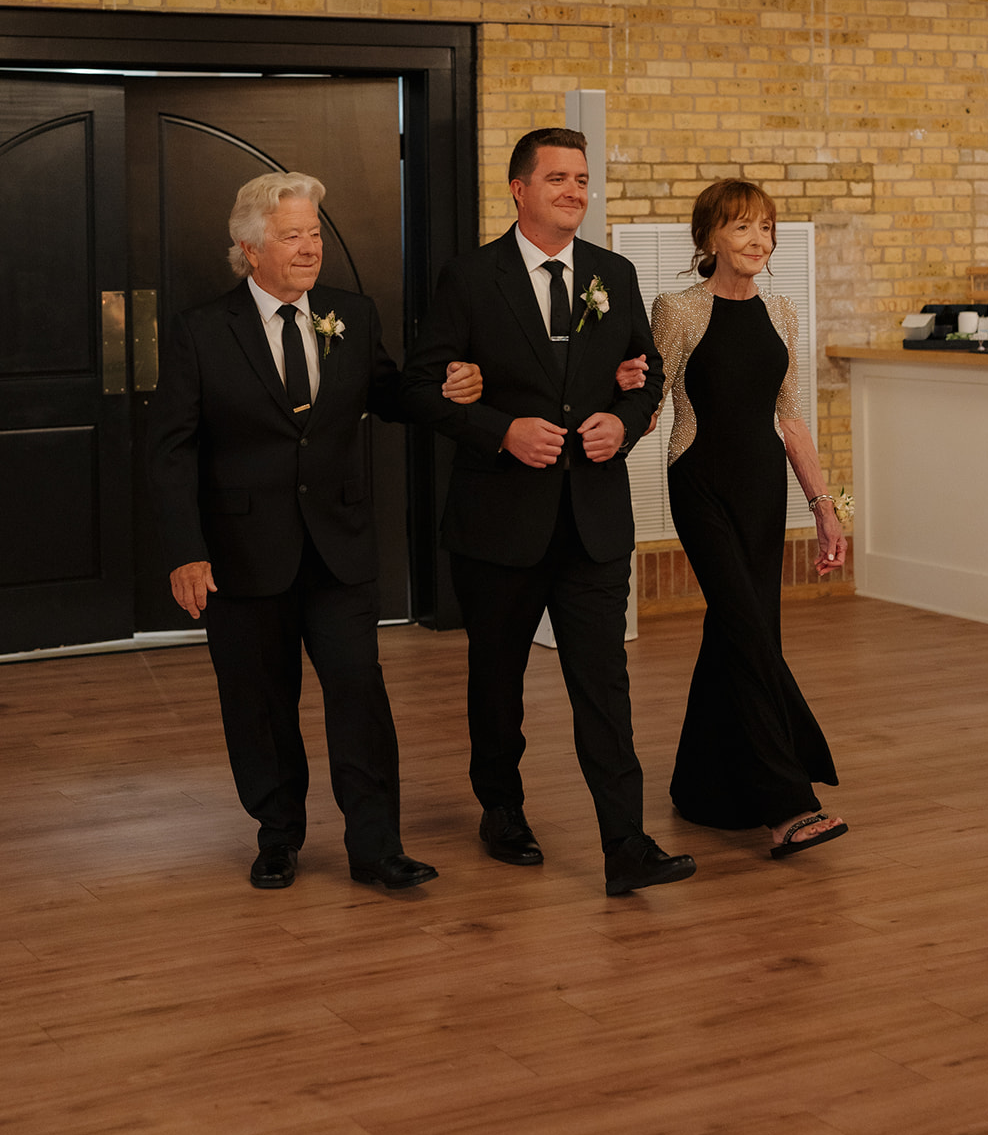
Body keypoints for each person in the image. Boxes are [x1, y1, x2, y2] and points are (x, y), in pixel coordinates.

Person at [147, 170, 481, 892]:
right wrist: (185, 551)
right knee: (259, 701)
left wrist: (443, 392)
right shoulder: (201, 330)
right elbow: (172, 449)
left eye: (314, 234)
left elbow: (387, 394)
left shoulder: (350, 315)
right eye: (291, 235)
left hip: (339, 545)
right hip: (240, 553)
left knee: (359, 691)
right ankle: (278, 835)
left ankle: (377, 847)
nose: (309, 248)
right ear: (250, 248)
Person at [402, 127, 696, 896]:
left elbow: (646, 371)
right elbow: (425, 385)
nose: (574, 191)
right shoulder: (469, 278)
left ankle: (624, 845)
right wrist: (500, 428)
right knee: (495, 679)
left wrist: (624, 422)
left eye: (581, 178)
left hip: (592, 518)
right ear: (518, 188)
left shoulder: (613, 273)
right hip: (499, 518)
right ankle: (501, 808)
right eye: (558, 178)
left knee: (604, 684)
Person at [646, 178, 849, 859]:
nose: (757, 241)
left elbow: (789, 417)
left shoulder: (783, 313)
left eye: (765, 228)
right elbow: (651, 403)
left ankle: (700, 787)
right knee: (746, 628)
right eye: (740, 228)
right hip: (699, 481)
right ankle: (787, 803)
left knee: (741, 630)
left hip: (765, 488)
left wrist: (823, 507)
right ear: (709, 239)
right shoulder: (677, 309)